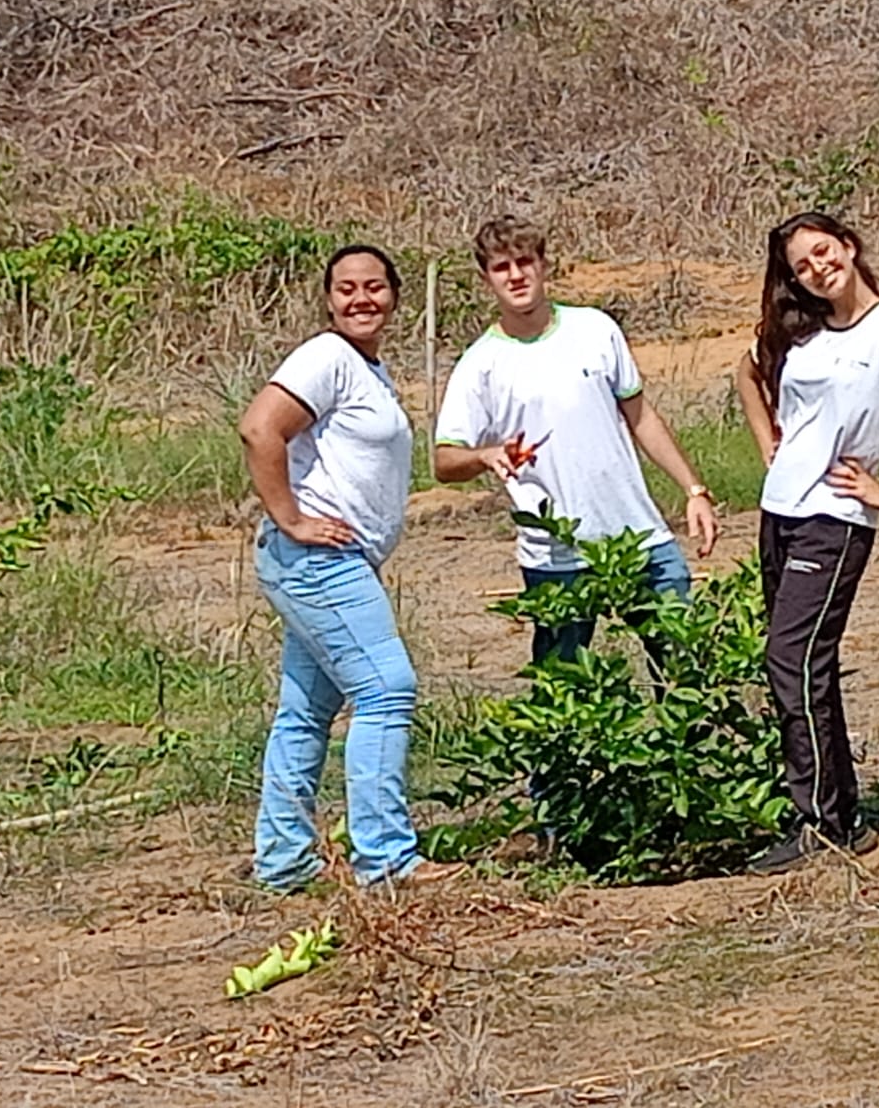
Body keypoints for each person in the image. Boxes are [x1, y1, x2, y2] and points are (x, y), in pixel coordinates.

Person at [737, 211, 879, 874]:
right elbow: (747, 376)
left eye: (823, 254)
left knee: (792, 658)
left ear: (850, 247)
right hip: (781, 511)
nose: (816, 270)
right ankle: (835, 811)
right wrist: (770, 450)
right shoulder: (803, 333)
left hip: (836, 518)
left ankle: (822, 819)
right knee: (805, 666)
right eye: (802, 266)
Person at [238, 244, 460, 891]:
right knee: (386, 689)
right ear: (328, 299)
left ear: (394, 295)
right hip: (316, 560)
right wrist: (292, 518)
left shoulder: (367, 367)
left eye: (374, 287)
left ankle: (282, 862)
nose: (361, 299)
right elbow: (260, 429)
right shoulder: (327, 357)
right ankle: (386, 859)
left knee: (306, 708)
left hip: (336, 561)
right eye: (346, 289)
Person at [433, 215, 719, 663]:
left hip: (639, 540)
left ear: (544, 265)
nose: (516, 275)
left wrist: (694, 489)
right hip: (555, 557)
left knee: (684, 666)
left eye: (525, 261)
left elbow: (641, 416)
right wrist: (486, 455)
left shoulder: (596, 330)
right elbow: (444, 461)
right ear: (486, 278)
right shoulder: (479, 365)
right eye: (502, 267)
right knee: (563, 688)